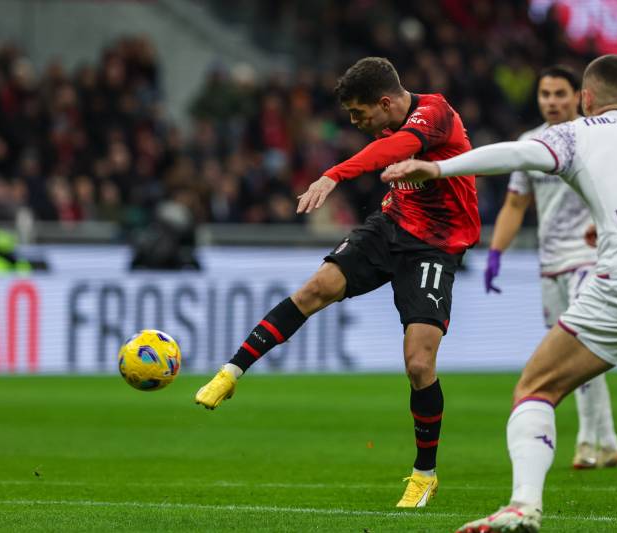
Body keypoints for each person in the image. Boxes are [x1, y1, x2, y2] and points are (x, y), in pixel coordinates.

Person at [382, 54, 617, 533]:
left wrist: (439, 170)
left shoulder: (578, 132)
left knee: (536, 389)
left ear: (585, 99)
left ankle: (523, 507)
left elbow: (515, 154)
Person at [194, 57, 480, 508]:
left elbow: (393, 150)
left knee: (419, 365)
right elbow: (385, 150)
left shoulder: (435, 114)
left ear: (385, 103)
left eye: (359, 114)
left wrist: (333, 174)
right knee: (314, 289)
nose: (355, 122)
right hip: (390, 225)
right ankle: (231, 372)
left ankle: (424, 474)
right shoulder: (386, 121)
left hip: (437, 245)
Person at [485, 65, 617, 470]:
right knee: (573, 354)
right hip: (550, 265)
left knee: (582, 348)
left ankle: (587, 441)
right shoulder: (530, 144)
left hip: (590, 259)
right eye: (545, 94)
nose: (551, 101)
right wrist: (495, 253)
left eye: (559, 94)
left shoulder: (596, 138)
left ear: (579, 96)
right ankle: (609, 441)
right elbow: (515, 204)